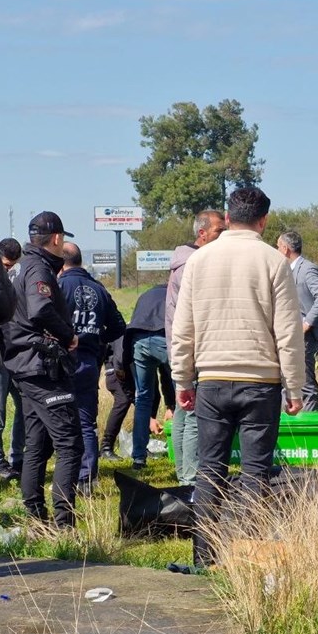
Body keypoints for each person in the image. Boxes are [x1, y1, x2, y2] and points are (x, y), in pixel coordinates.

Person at [171, 187, 305, 568]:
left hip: (211, 379)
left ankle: (205, 557)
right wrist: (294, 387)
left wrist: (182, 380)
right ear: (263, 221)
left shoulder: (199, 260)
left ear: (228, 218)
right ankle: (247, 556)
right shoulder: (274, 262)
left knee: (209, 470)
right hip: (261, 383)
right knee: (254, 473)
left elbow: (183, 329)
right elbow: (288, 333)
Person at [3, 211, 82, 529]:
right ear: (58, 238)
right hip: (41, 366)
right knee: (70, 443)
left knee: (36, 441)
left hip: (23, 365)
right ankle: (65, 524)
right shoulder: (37, 267)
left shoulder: (21, 265)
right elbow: (40, 309)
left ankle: (36, 517)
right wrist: (68, 334)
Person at [165, 209, 226, 485]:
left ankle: (183, 472)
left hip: (180, 345)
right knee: (192, 415)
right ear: (202, 234)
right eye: (218, 232)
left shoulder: (184, 260)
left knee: (182, 411)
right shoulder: (196, 263)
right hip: (192, 347)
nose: (223, 237)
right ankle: (190, 478)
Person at [58, 242, 125, 494]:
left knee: (60, 420)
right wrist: (96, 338)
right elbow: (118, 327)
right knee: (86, 420)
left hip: (63, 359)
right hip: (89, 360)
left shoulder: (59, 286)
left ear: (61, 262)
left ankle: (66, 475)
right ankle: (87, 478)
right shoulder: (99, 288)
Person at [278, 231, 318, 412]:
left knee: (304, 382)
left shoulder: (308, 269)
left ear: (285, 248)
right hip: (289, 333)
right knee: (287, 380)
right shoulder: (286, 270)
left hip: (304, 336)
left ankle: (309, 427)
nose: (277, 251)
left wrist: (307, 323)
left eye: (278, 247)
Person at [126, 283, 173, 470]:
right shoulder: (173, 293)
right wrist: (171, 403)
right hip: (164, 339)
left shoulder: (145, 294)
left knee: (143, 398)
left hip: (139, 342)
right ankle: (184, 455)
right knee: (186, 395)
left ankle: (138, 457)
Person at [0, 238, 25, 480]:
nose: (8, 269)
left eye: (12, 265)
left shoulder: (21, 279)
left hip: (20, 355)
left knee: (24, 410)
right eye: (5, 265)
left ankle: (18, 458)